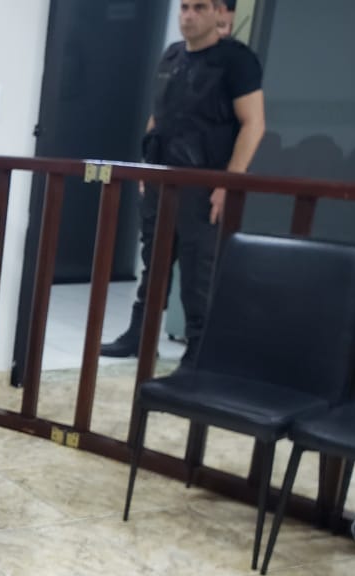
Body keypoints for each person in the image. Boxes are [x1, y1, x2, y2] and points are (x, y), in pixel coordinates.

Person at [101, 0, 264, 362]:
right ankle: (139, 336)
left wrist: (229, 182)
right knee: (154, 260)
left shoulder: (236, 60)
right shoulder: (172, 56)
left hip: (205, 182)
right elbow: (158, 116)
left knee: (198, 269)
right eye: (185, 7)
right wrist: (147, 168)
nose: (188, 15)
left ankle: (199, 350)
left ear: (219, 12)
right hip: (162, 178)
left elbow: (254, 123)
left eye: (199, 7)